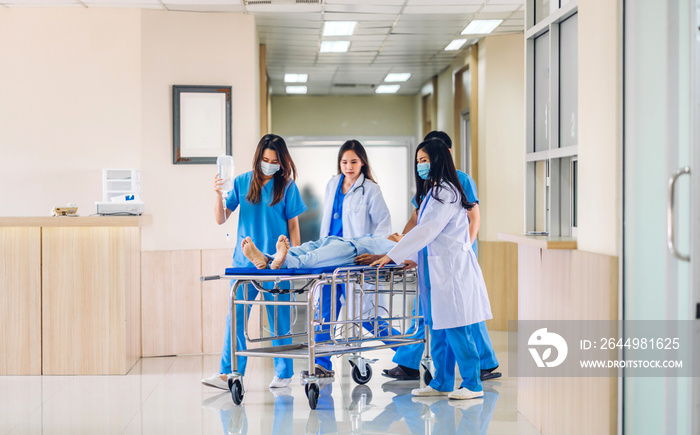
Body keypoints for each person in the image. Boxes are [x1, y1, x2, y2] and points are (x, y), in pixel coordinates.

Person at [371, 138, 492, 400]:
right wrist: (409, 256)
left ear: (439, 159)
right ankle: (442, 382)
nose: (421, 166)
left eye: (424, 160)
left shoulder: (447, 191)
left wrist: (393, 255)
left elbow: (426, 230)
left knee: (457, 329)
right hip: (433, 271)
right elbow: (423, 231)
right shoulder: (433, 190)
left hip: (451, 271)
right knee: (437, 329)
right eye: (418, 161)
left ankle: (472, 384)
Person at [201, 134, 307, 391]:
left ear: (282, 162)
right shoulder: (241, 182)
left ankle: (284, 373)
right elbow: (220, 218)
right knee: (235, 317)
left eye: (275, 161)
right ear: (258, 157)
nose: (269, 164)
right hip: (245, 262)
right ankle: (230, 373)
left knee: (279, 317)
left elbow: (293, 226)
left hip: (275, 263)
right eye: (265, 159)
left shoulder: (287, 186)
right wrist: (218, 193)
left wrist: (294, 259)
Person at [308, 139, 393, 378]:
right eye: (344, 162)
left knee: (364, 315)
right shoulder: (333, 184)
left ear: (362, 162)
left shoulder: (371, 189)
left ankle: (407, 354)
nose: (348, 166)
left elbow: (383, 224)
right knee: (324, 312)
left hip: (354, 258)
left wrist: (373, 248)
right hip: (329, 255)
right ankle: (322, 363)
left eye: (353, 161)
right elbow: (328, 220)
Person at [239, 233, 402, 270]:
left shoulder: (396, 248)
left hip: (352, 251)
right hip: (340, 240)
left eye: (402, 235)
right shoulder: (380, 238)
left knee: (313, 259)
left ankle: (282, 261)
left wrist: (379, 257)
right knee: (302, 248)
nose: (397, 233)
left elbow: (404, 258)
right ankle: (268, 258)